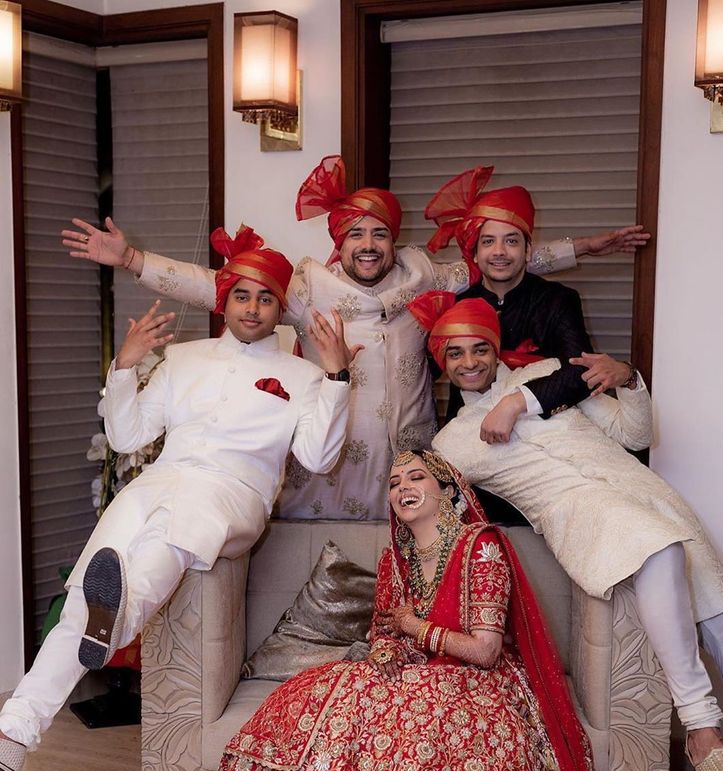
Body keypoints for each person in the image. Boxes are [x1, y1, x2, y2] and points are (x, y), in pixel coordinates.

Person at [61, 156, 648, 521]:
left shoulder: (426, 273)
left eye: (380, 234)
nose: (368, 245)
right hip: (333, 451)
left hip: (412, 442)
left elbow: (503, 260)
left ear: (394, 240)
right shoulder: (306, 286)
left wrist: (587, 248)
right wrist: (134, 260)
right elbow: (223, 285)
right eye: (355, 235)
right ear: (338, 243)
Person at [160, 449, 602, 771]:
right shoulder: (396, 558)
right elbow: (382, 630)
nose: (402, 488)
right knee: (318, 705)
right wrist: (389, 650)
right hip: (412, 672)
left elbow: (485, 650)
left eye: (416, 478)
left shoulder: (480, 547)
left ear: (448, 492)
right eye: (393, 483)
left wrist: (414, 628)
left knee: (415, 742)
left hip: (475, 682)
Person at [0, 225, 356, 771]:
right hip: (161, 481)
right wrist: (124, 366)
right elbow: (127, 435)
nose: (253, 307)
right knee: (84, 600)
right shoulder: (183, 359)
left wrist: (337, 378)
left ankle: (112, 619)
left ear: (279, 308)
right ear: (226, 299)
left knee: (162, 549)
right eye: (242, 294)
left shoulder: (304, 375)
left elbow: (319, 456)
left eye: (266, 298)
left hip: (233, 494)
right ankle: (15, 731)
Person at [417, 294, 723, 771]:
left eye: (479, 348)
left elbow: (635, 433)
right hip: (583, 518)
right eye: (454, 354)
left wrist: (627, 378)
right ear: (442, 363)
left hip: (651, 499)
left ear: (496, 348)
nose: (469, 362)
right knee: (659, 547)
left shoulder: (544, 376)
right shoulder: (450, 443)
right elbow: (446, 512)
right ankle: (700, 724)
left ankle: (702, 728)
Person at [424, 165, 639, 440]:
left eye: (511, 241)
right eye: (488, 241)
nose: (499, 252)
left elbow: (578, 372)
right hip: (469, 435)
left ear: (527, 251)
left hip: (547, 434)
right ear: (474, 253)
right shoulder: (455, 305)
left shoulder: (557, 300)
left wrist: (515, 403)